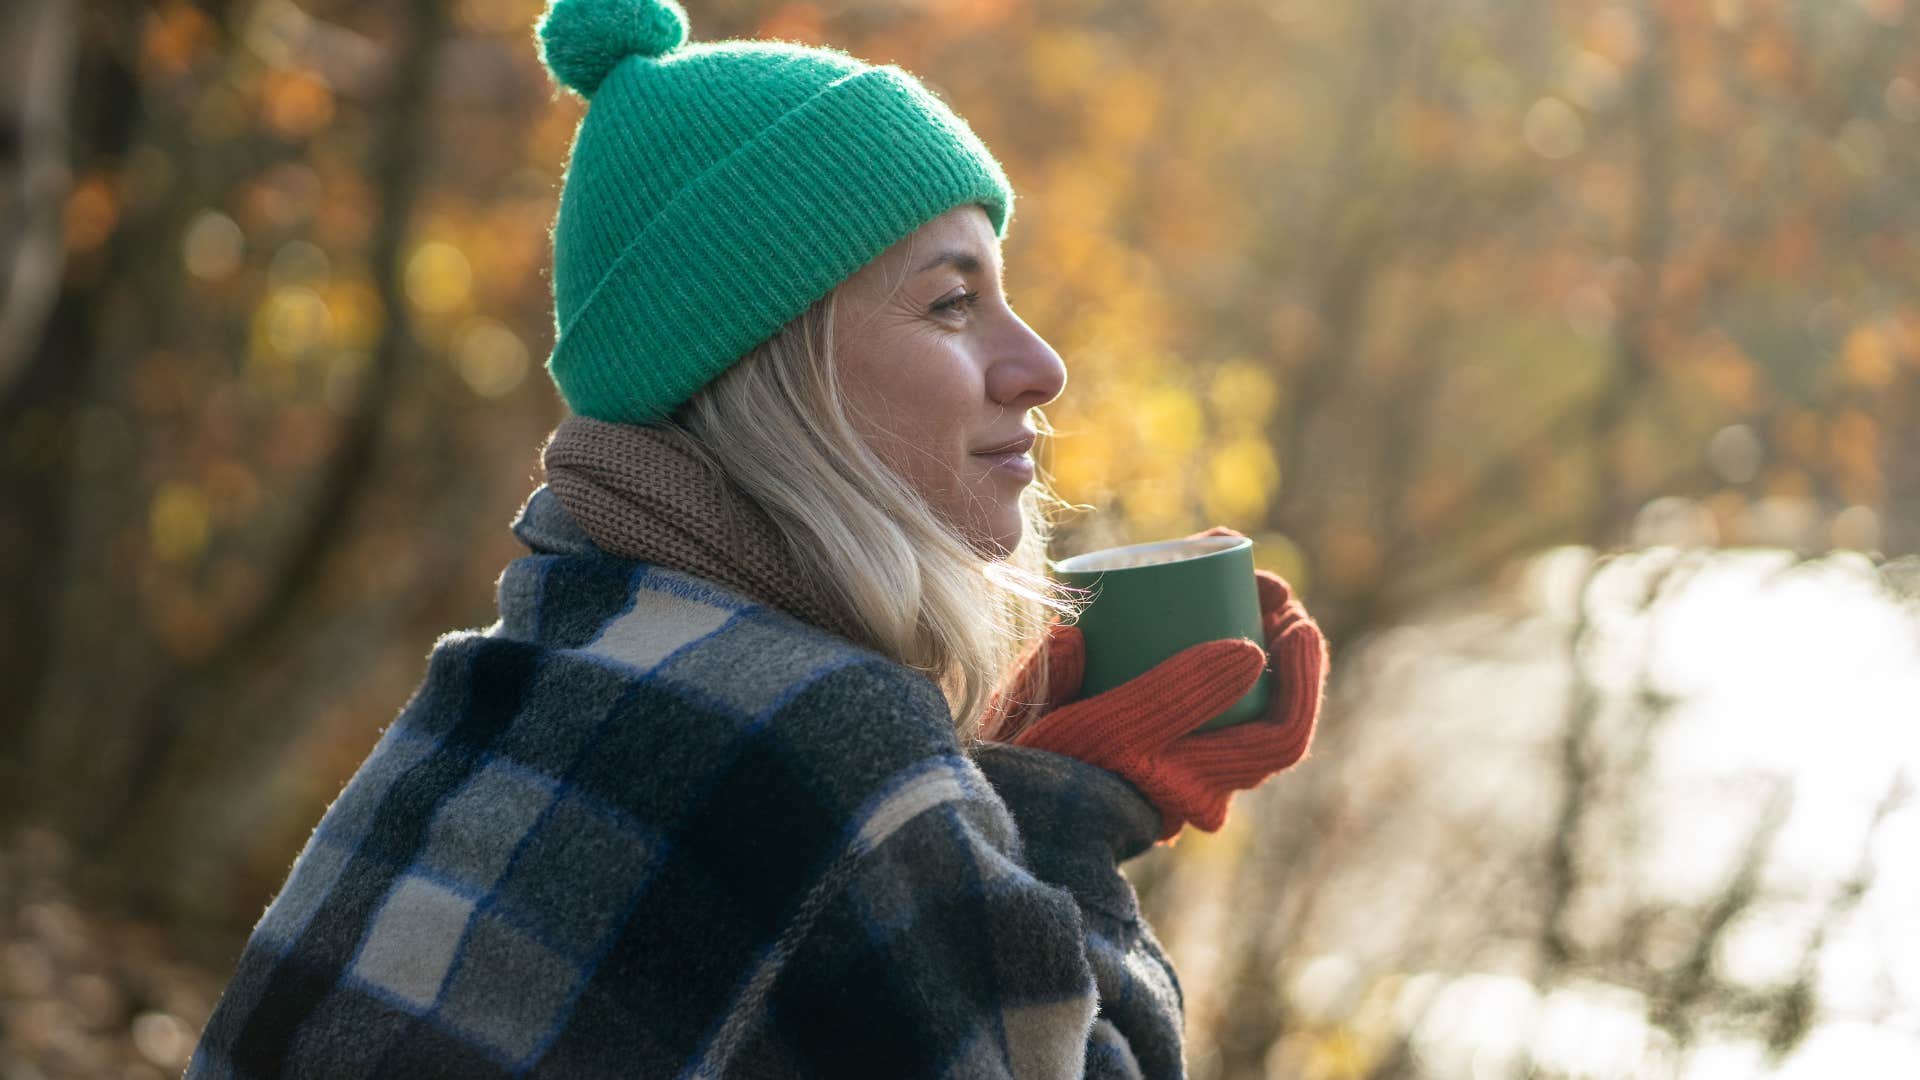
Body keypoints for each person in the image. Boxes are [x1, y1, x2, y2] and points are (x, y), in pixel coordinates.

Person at [186, 0, 1329, 1076]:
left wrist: (980, 794)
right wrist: (1075, 815)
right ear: (774, 376)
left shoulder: (501, 680)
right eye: (950, 302)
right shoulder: (830, 744)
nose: (1042, 365)